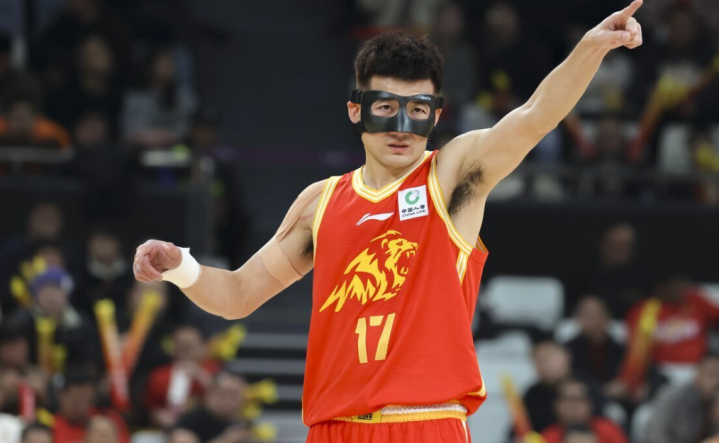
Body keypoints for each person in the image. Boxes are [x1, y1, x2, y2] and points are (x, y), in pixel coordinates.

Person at [133, 4, 645, 442]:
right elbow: (237, 295)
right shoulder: (320, 202)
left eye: (418, 109)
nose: (402, 127)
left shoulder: (451, 175)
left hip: (425, 422)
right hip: (333, 428)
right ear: (356, 111)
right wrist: (180, 267)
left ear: (436, 116)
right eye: (385, 107)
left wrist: (590, 49)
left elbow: (535, 115)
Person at [625, 272, 719, 365]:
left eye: (681, 283)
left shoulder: (695, 300)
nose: (680, 288)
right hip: (662, 368)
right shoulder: (644, 310)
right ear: (660, 287)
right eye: (674, 284)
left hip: (699, 366)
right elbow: (638, 352)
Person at [144, 324, 220, 429]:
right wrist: (159, 416)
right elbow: (151, 407)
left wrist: (200, 375)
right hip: (169, 426)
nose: (185, 351)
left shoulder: (213, 369)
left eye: (189, 347)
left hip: (206, 426)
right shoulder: (159, 375)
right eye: (181, 347)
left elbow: (222, 397)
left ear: (202, 347)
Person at [523, 340, 605, 433]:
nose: (541, 365)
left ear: (566, 357)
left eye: (546, 358)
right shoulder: (532, 395)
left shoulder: (588, 386)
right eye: (535, 360)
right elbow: (523, 430)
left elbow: (601, 423)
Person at [642, 354, 719, 443]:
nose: (715, 380)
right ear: (699, 371)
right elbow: (655, 434)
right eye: (711, 373)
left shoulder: (715, 402)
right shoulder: (673, 396)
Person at [174, 369, 250, 443]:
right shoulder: (190, 422)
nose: (229, 400)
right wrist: (227, 440)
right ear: (210, 393)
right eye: (224, 394)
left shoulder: (242, 422)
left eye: (235, 395)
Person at [541, 379, 628, 443]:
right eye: (567, 400)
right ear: (556, 405)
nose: (572, 406)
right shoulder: (546, 438)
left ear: (589, 404)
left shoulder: (608, 430)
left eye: (577, 399)